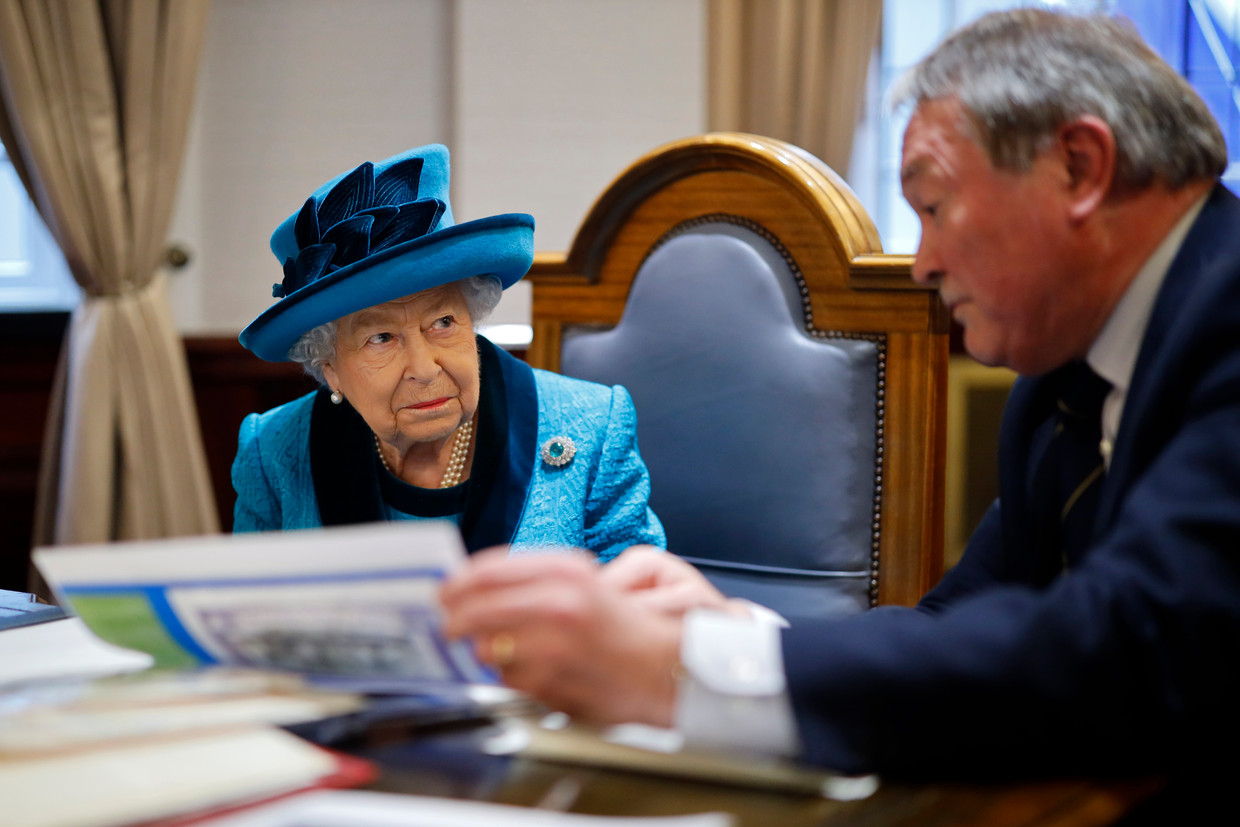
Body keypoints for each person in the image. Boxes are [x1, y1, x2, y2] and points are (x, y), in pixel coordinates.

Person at [439, 6, 1240, 797]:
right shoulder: (1058, 385)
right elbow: (956, 626)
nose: (921, 265)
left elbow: (1144, 643)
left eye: (932, 206)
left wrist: (687, 673)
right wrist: (735, 633)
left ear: (1079, 166)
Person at [232, 144, 664, 561]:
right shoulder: (272, 453)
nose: (423, 369)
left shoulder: (594, 427)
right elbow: (249, 621)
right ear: (331, 370)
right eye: (380, 338)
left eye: (442, 323)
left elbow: (644, 613)